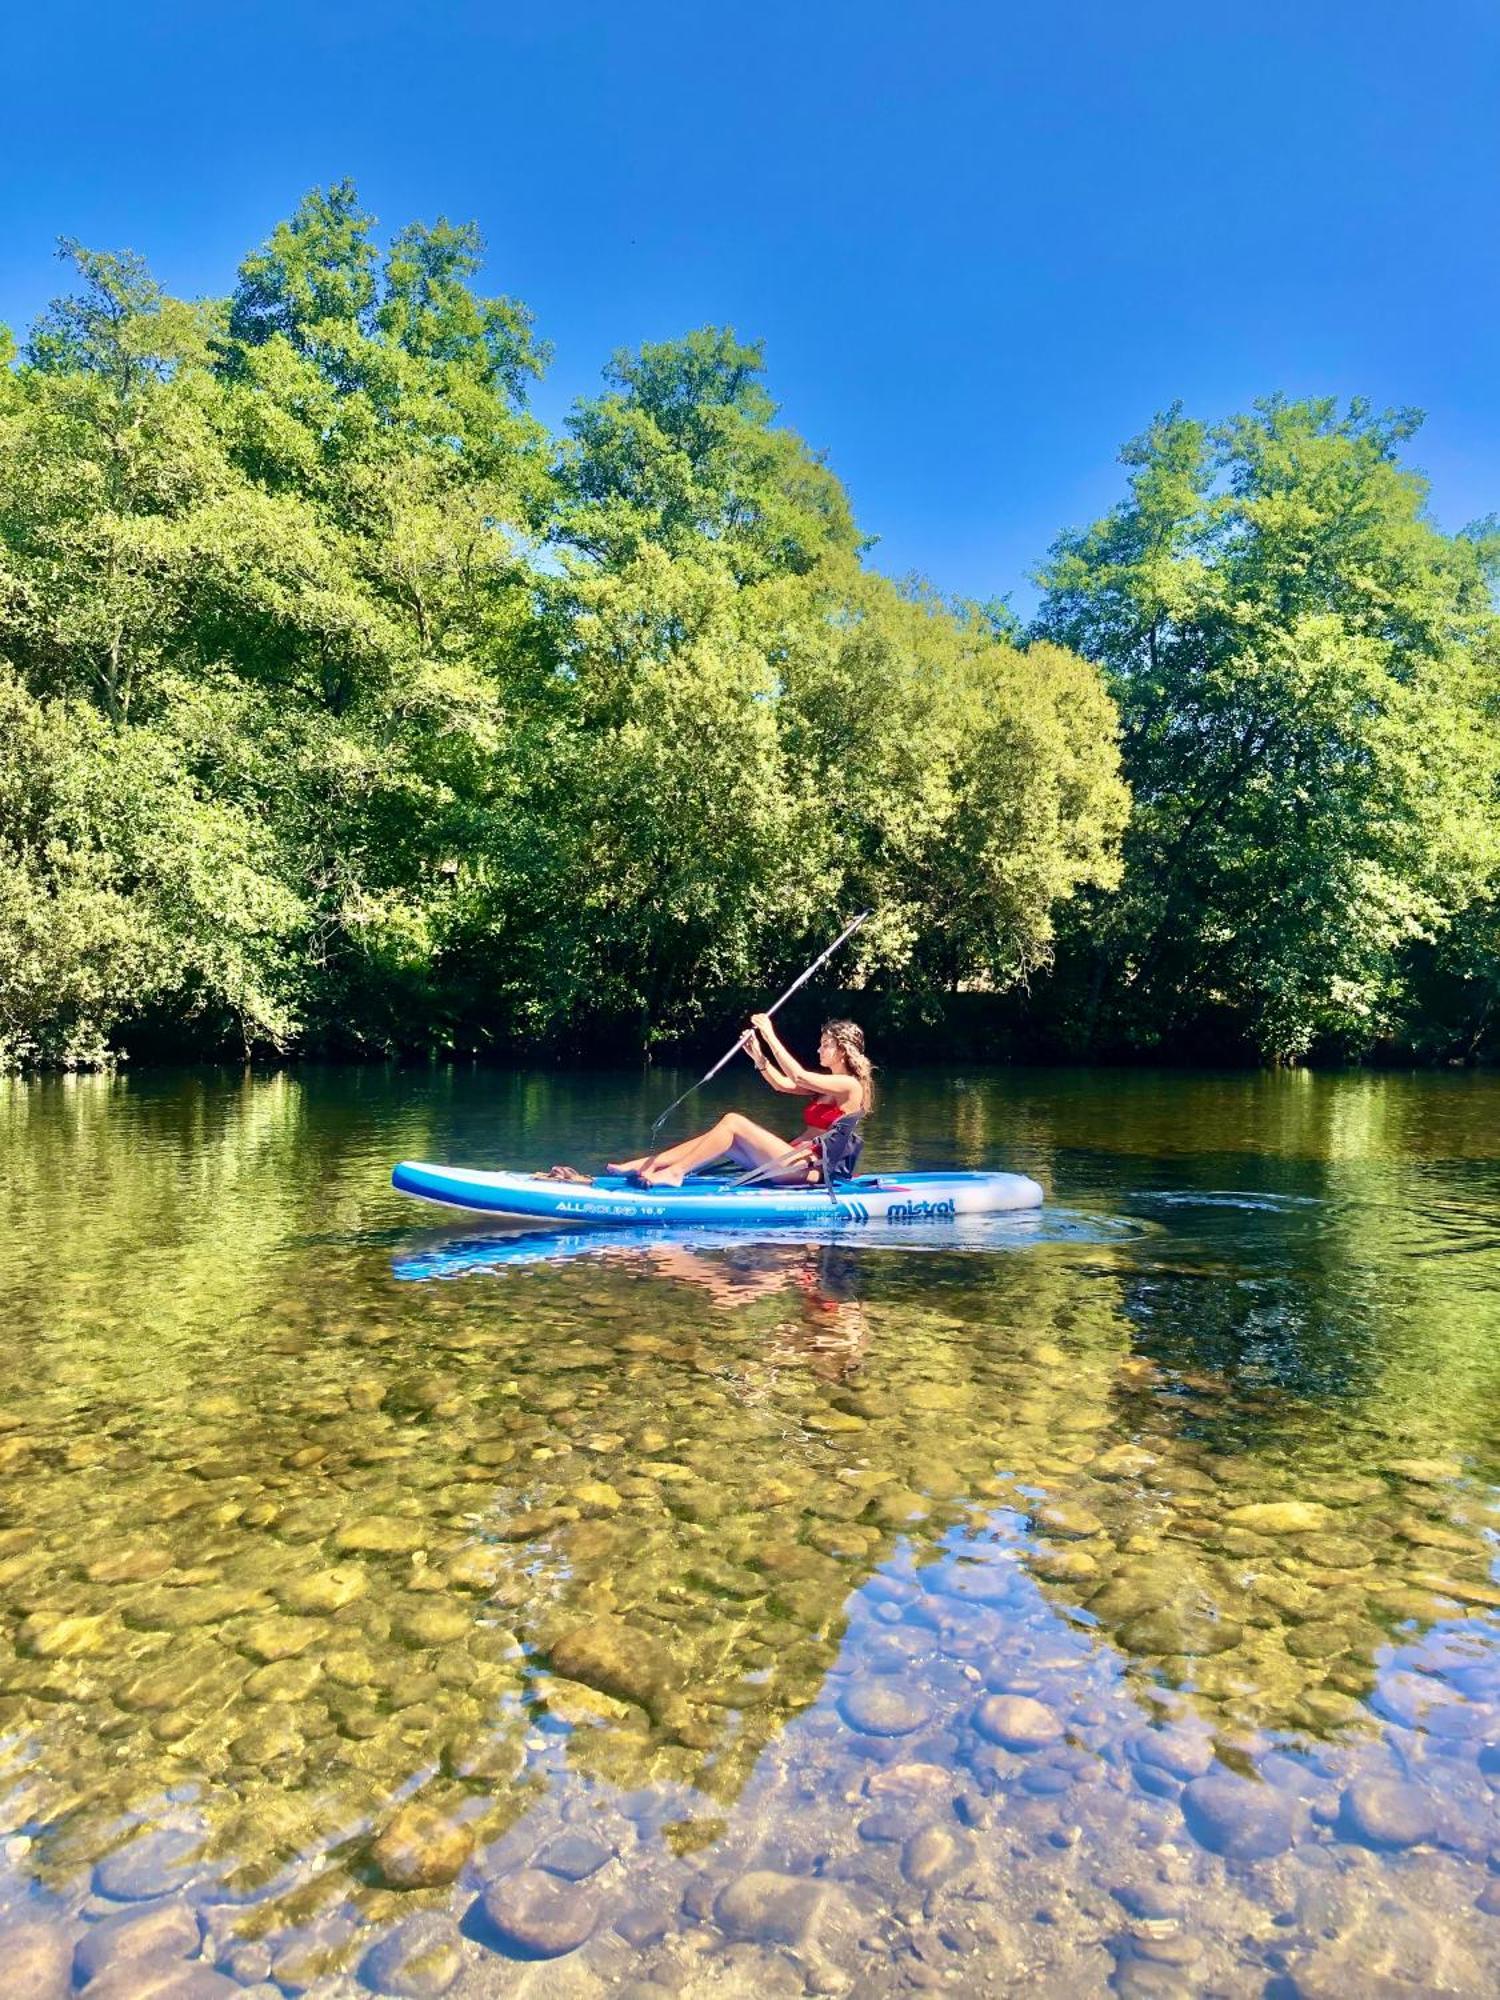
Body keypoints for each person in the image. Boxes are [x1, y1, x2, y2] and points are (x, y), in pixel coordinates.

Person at [606, 1017, 875, 1188]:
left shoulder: (850, 1086)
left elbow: (798, 1075)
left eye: (825, 1044)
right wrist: (759, 1057)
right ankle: (649, 1164)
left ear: (842, 1049)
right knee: (722, 1136)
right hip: (788, 1160)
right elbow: (782, 1084)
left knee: (734, 1121)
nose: (819, 1049)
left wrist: (770, 1034)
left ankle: (674, 1173)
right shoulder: (826, 1084)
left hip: (804, 1168)